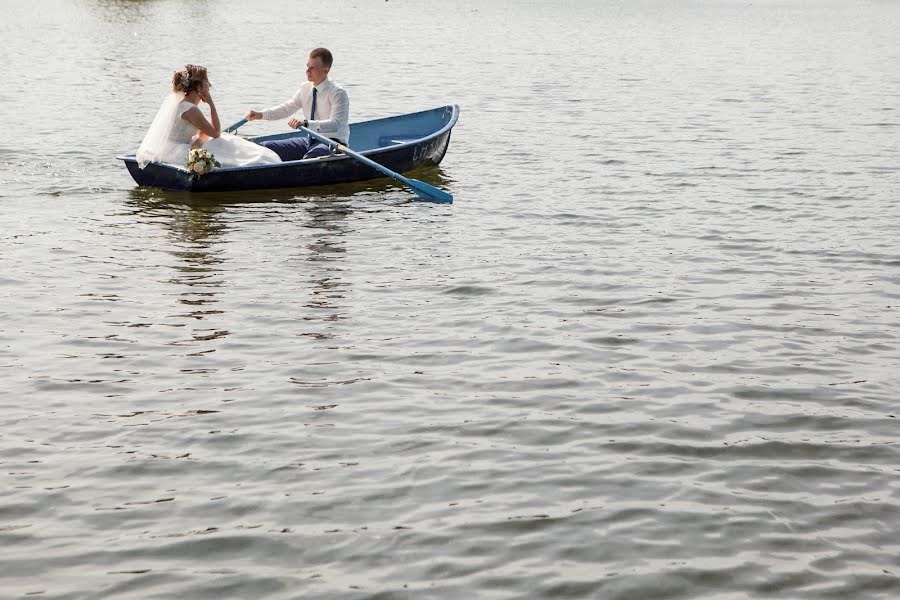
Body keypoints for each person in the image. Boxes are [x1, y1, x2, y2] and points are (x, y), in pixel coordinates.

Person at [137, 64, 281, 169]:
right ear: (199, 87)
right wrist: (211, 104)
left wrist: (199, 141)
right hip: (178, 151)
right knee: (222, 141)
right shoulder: (190, 109)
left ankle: (261, 160)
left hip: (175, 146)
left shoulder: (184, 104)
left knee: (224, 141)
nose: (209, 86)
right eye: (207, 83)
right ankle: (261, 162)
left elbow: (203, 133)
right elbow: (216, 133)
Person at [245, 48, 350, 161]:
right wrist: (260, 115)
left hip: (333, 144)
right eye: (307, 66)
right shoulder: (305, 88)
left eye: (312, 68)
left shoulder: (338, 92)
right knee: (265, 148)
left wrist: (305, 124)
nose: (307, 71)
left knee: (310, 159)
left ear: (326, 71)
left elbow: (336, 124)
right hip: (309, 141)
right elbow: (286, 108)